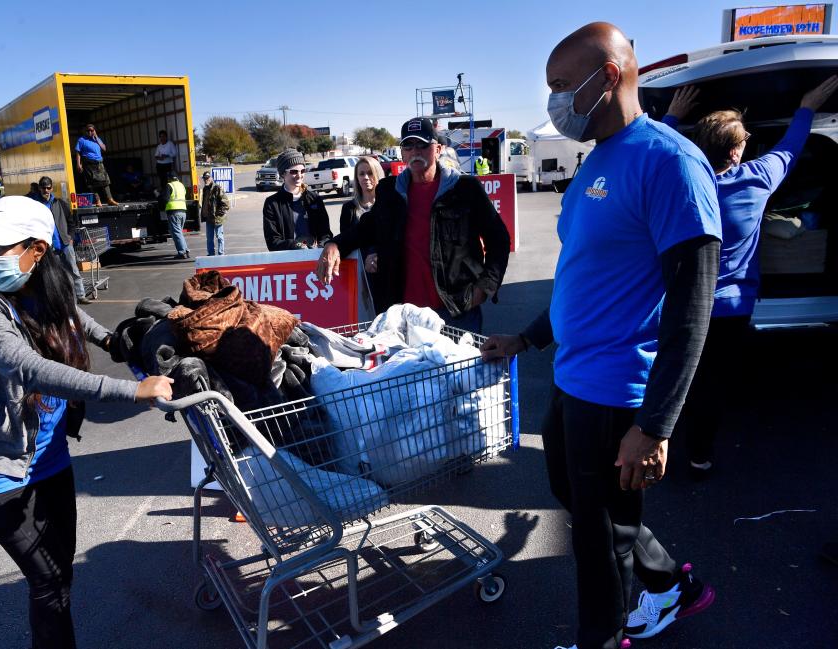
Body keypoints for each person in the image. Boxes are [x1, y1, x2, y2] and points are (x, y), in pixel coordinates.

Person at [481, 23, 721, 649]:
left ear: (609, 74)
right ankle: (675, 583)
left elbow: (693, 306)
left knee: (595, 538)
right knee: (580, 499)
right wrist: (527, 339)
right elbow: (581, 278)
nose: (555, 102)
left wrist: (657, 423)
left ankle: (603, 638)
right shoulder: (600, 159)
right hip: (572, 377)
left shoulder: (669, 163)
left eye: (562, 86)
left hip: (617, 393)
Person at [0, 196, 174, 649]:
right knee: (48, 581)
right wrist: (131, 389)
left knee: (61, 574)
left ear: (37, 250)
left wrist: (110, 339)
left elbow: (69, 310)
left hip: (49, 457)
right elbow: (27, 367)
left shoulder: (43, 280)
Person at [660, 76, 838, 476]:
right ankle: (699, 457)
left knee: (678, 376)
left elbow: (651, 155)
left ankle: (660, 443)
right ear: (738, 150)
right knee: (714, 383)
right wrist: (807, 104)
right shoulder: (757, 179)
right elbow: (791, 147)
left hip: (683, 301)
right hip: (732, 308)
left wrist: (671, 116)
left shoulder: (681, 180)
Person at [316, 117, 509, 333]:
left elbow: (499, 238)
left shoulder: (465, 189)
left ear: (438, 149)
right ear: (402, 152)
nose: (415, 151)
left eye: (422, 145)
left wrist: (484, 288)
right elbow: (365, 229)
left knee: (458, 368)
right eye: (408, 145)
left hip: (456, 312)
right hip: (404, 318)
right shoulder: (390, 191)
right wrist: (334, 245)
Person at [33, 176, 89, 304]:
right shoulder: (36, 206)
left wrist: (70, 237)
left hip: (65, 244)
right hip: (49, 246)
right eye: (43, 187)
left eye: (48, 187)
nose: (46, 190)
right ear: (39, 188)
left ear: (52, 188)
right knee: (56, 274)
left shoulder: (60, 203)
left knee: (73, 270)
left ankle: (80, 295)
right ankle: (64, 299)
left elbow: (71, 222)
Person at [263, 148, 332, 251]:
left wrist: (320, 246)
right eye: (294, 171)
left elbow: (326, 234)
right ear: (282, 174)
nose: (299, 175)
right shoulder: (272, 204)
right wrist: (296, 245)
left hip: (314, 259)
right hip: (288, 262)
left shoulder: (315, 199)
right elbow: (273, 242)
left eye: (302, 171)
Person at [339, 156, 385, 305]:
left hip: (386, 274)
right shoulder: (349, 209)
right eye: (361, 174)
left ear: (378, 173)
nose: (366, 177)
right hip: (359, 275)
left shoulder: (389, 205)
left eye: (370, 173)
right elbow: (345, 243)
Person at [74, 124, 119, 207]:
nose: (90, 132)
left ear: (94, 131)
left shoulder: (97, 139)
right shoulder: (82, 140)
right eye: (88, 131)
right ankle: (98, 201)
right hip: (89, 164)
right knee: (92, 184)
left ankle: (110, 199)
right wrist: (78, 164)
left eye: (91, 130)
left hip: (99, 163)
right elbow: (78, 152)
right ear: (85, 131)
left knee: (105, 182)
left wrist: (96, 138)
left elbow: (104, 148)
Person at [199, 171, 229, 256]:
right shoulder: (205, 189)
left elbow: (226, 203)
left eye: (207, 178)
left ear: (211, 178)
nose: (206, 180)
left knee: (219, 237)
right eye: (204, 178)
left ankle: (221, 254)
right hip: (208, 218)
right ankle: (211, 254)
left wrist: (219, 214)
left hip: (217, 218)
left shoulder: (217, 188)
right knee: (209, 238)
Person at [163, 170, 189, 259]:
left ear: (169, 178)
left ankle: (182, 252)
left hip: (174, 211)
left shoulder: (169, 185)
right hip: (183, 211)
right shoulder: (181, 185)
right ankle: (186, 250)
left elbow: (165, 199)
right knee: (179, 233)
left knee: (177, 233)